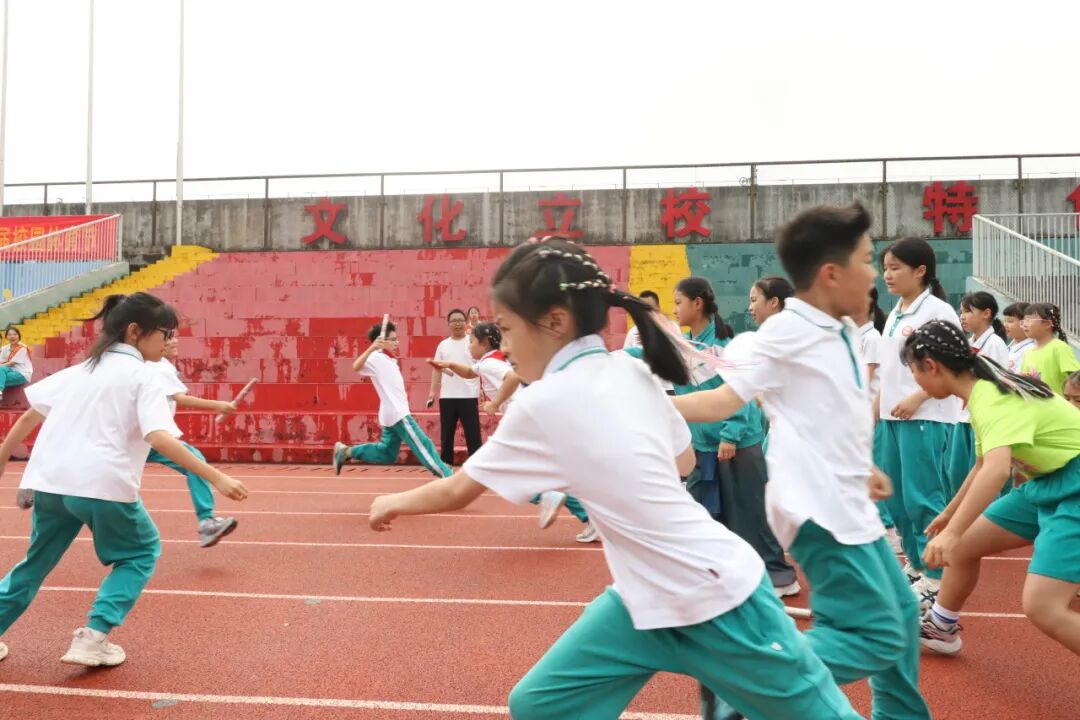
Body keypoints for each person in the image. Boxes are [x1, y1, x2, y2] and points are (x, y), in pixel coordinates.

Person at [367, 237, 861, 720]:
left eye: (507, 330)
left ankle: (727, 688)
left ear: (555, 322)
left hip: (715, 597)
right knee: (541, 704)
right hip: (641, 601)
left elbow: (458, 490)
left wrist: (391, 502)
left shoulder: (541, 403)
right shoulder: (632, 370)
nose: (504, 348)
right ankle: (725, 691)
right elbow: (685, 463)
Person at [674, 202, 931, 720]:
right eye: (866, 261)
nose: (873, 275)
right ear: (831, 273)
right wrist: (645, 404)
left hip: (848, 501)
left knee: (903, 613)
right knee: (874, 636)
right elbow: (723, 400)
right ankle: (736, 685)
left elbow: (828, 413)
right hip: (819, 510)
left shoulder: (842, 331)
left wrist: (865, 468)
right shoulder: (787, 332)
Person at [0, 293, 248, 667]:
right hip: (102, 483)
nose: (168, 342)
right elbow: (159, 437)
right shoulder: (144, 376)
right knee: (140, 552)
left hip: (50, 483)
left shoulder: (81, 370)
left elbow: (28, 417)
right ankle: (94, 636)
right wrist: (217, 477)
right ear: (135, 331)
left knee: (34, 563)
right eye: (165, 333)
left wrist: (3, 459)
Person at [902, 320, 1080, 658]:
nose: (915, 381)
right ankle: (941, 626)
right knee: (961, 547)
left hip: (1074, 484)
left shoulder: (993, 398)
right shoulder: (983, 392)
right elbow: (982, 465)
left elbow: (997, 471)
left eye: (913, 371)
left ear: (931, 366)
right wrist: (950, 516)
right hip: (1049, 482)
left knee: (1043, 605)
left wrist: (952, 532)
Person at [877, 236, 962, 606]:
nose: (887, 275)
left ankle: (936, 576)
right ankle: (915, 563)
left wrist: (919, 396)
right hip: (891, 417)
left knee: (922, 498)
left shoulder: (938, 311)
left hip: (925, 415)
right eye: (885, 268)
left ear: (920, 271)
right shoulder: (896, 313)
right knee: (895, 500)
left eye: (895, 268)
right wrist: (876, 413)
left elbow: (954, 363)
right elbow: (888, 372)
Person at [148, 334, 241, 547]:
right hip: (151, 437)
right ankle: (206, 520)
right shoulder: (159, 367)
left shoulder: (153, 366)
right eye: (168, 337)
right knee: (195, 462)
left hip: (140, 439)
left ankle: (207, 521)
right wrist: (218, 405)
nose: (175, 341)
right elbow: (180, 398)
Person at [333, 322, 452, 479]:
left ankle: (346, 452)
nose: (396, 343)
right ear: (381, 341)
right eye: (393, 339)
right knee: (424, 445)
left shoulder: (389, 360)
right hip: (398, 414)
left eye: (397, 339)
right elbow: (356, 366)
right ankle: (448, 476)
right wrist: (372, 348)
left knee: (387, 453)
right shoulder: (375, 358)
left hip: (391, 414)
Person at [945, 292, 1010, 498]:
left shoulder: (994, 344)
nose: (962, 316)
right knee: (957, 474)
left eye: (967, 311)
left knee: (983, 477)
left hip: (984, 419)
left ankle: (986, 516)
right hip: (964, 417)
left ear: (986, 313)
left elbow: (998, 382)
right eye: (961, 312)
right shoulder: (968, 343)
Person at [856, 288, 903, 554]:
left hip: (869, 416)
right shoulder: (855, 337)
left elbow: (864, 381)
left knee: (874, 469)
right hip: (858, 417)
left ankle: (888, 530)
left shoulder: (872, 337)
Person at [429, 309, 482, 465]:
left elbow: (480, 367)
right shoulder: (443, 345)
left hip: (469, 395)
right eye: (454, 321)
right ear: (448, 324)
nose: (457, 323)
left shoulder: (472, 342)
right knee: (447, 434)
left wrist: (481, 389)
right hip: (447, 396)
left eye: (460, 320)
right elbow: (437, 369)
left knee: (473, 433)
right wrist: (432, 392)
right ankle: (446, 464)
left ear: (465, 323)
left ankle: (476, 464)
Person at [1020, 303, 1079, 396]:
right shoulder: (1028, 352)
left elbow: (1075, 377)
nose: (1024, 325)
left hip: (1058, 403)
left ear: (1047, 324)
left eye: (1029, 320)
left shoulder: (1059, 347)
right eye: (1023, 321)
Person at [0, 326, 32, 402]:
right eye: (9, 335)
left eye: (15, 334)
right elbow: (2, 362)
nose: (12, 336)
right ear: (6, 337)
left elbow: (11, 363)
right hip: (8, 371)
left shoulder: (22, 348)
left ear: (19, 336)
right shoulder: (5, 348)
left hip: (22, 374)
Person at [1002, 302, 1034, 373]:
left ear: (1025, 323)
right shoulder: (1011, 344)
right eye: (1004, 321)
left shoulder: (1031, 349)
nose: (1005, 325)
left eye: (1010, 321)